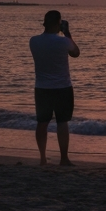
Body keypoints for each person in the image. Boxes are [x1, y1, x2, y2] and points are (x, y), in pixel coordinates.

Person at [29, 10, 81, 166]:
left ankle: (42, 157)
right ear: (58, 24)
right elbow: (76, 53)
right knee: (62, 122)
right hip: (62, 87)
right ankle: (64, 158)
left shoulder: (34, 41)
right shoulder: (63, 42)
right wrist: (67, 33)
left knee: (42, 122)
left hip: (42, 87)